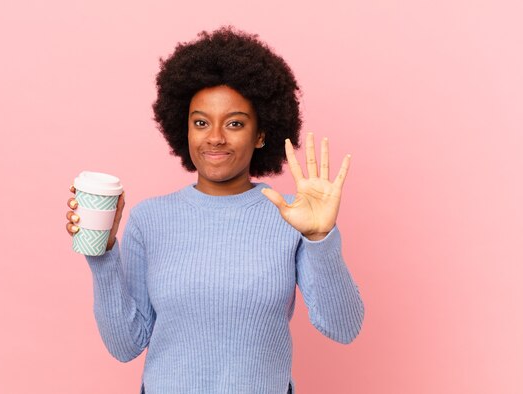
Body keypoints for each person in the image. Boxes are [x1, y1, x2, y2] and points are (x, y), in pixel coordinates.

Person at [65, 26, 364, 394]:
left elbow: (344, 327)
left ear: (260, 134)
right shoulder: (149, 220)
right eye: (201, 122)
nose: (215, 137)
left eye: (235, 123)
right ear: (184, 129)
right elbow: (126, 345)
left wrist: (320, 238)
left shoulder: (292, 218)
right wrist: (103, 254)